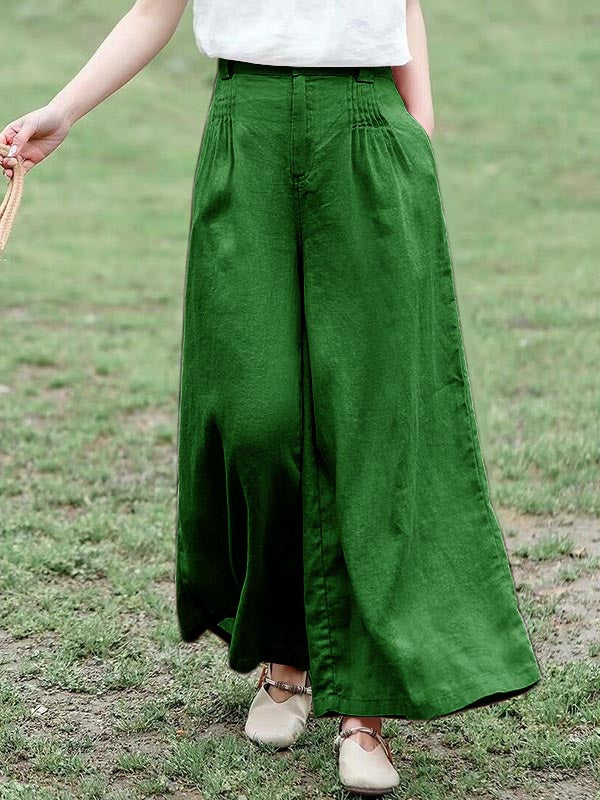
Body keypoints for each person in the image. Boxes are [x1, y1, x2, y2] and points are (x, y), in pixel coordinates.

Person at [1, 0, 542, 795]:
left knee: (368, 425)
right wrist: (64, 110)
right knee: (258, 420)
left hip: (363, 122)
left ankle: (364, 712)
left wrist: (417, 130)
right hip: (245, 127)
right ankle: (284, 652)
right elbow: (154, 10)